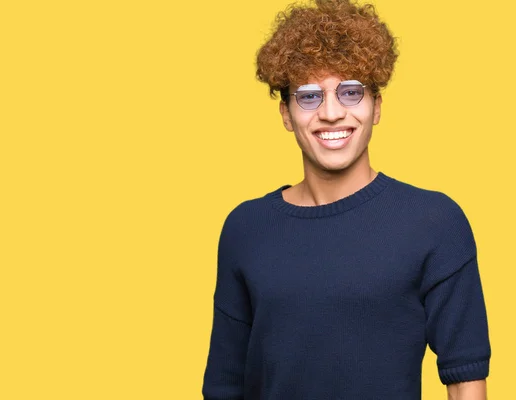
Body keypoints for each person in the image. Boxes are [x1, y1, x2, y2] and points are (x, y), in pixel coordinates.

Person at [201, 0, 491, 399]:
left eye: (351, 92)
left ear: (376, 107)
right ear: (286, 113)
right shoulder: (246, 229)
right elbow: (224, 384)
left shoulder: (435, 223)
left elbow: (466, 377)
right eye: (309, 96)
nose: (332, 113)